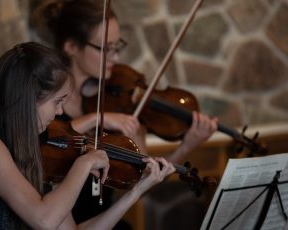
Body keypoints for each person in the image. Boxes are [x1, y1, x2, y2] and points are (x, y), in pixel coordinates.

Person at [0, 42, 175, 229]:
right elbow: (44, 220)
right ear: (28, 99)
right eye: (57, 102)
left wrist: (135, 192)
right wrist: (84, 163)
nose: (60, 112)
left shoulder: (32, 150)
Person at [32, 0, 218, 228]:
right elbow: (37, 140)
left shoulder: (120, 107)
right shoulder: (43, 102)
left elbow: (141, 183)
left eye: (117, 46)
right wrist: (96, 118)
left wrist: (186, 147)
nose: (116, 58)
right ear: (71, 47)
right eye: (105, 48)